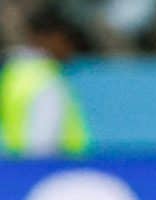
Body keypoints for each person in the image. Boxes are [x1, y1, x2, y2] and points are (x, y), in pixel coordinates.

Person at [1, 9, 90, 157]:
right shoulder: (46, 81)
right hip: (53, 173)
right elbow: (43, 144)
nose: (71, 50)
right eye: (66, 41)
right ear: (50, 38)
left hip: (13, 170)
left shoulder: (12, 74)